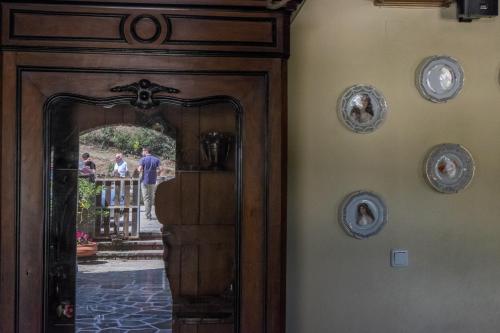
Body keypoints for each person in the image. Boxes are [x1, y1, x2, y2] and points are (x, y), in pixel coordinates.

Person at [138, 147, 160, 220]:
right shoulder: (156, 159)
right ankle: (149, 213)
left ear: (146, 151)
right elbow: (161, 169)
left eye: (143, 151)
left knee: (146, 198)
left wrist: (138, 171)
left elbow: (140, 169)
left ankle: (148, 215)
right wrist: (157, 174)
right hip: (153, 181)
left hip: (144, 181)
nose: (142, 152)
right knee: (151, 197)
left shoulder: (143, 159)